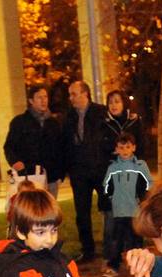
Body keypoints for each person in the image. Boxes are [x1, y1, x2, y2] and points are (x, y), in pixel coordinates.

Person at [61, 80, 109, 262]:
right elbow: (64, 143)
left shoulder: (101, 112)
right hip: (79, 172)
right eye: (70, 94)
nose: (71, 98)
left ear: (85, 94)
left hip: (100, 169)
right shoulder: (69, 117)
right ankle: (87, 249)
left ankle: (111, 247)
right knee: (82, 212)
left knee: (107, 208)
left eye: (74, 94)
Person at [99, 133, 152, 277]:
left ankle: (140, 267)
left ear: (134, 148)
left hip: (135, 210)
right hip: (118, 210)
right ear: (116, 149)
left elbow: (148, 184)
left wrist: (143, 200)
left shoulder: (140, 166)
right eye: (121, 147)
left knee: (136, 240)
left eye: (128, 147)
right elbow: (106, 186)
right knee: (117, 240)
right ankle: (114, 266)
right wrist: (110, 199)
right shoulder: (113, 167)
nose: (124, 150)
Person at [4, 85, 63, 197]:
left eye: (45, 97)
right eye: (39, 97)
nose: (43, 101)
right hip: (29, 176)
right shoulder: (20, 122)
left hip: (51, 176)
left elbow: (60, 148)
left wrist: (61, 173)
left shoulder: (53, 123)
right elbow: (9, 146)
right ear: (31, 100)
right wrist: (15, 162)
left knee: (49, 209)